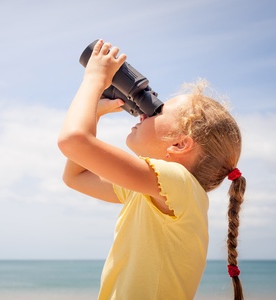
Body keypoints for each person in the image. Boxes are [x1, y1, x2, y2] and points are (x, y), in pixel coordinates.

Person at [57, 39, 246, 300]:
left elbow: (73, 142)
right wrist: (95, 114)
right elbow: (75, 176)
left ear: (180, 144)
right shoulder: (152, 192)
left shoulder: (179, 184)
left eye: (156, 112)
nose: (143, 114)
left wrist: (94, 79)